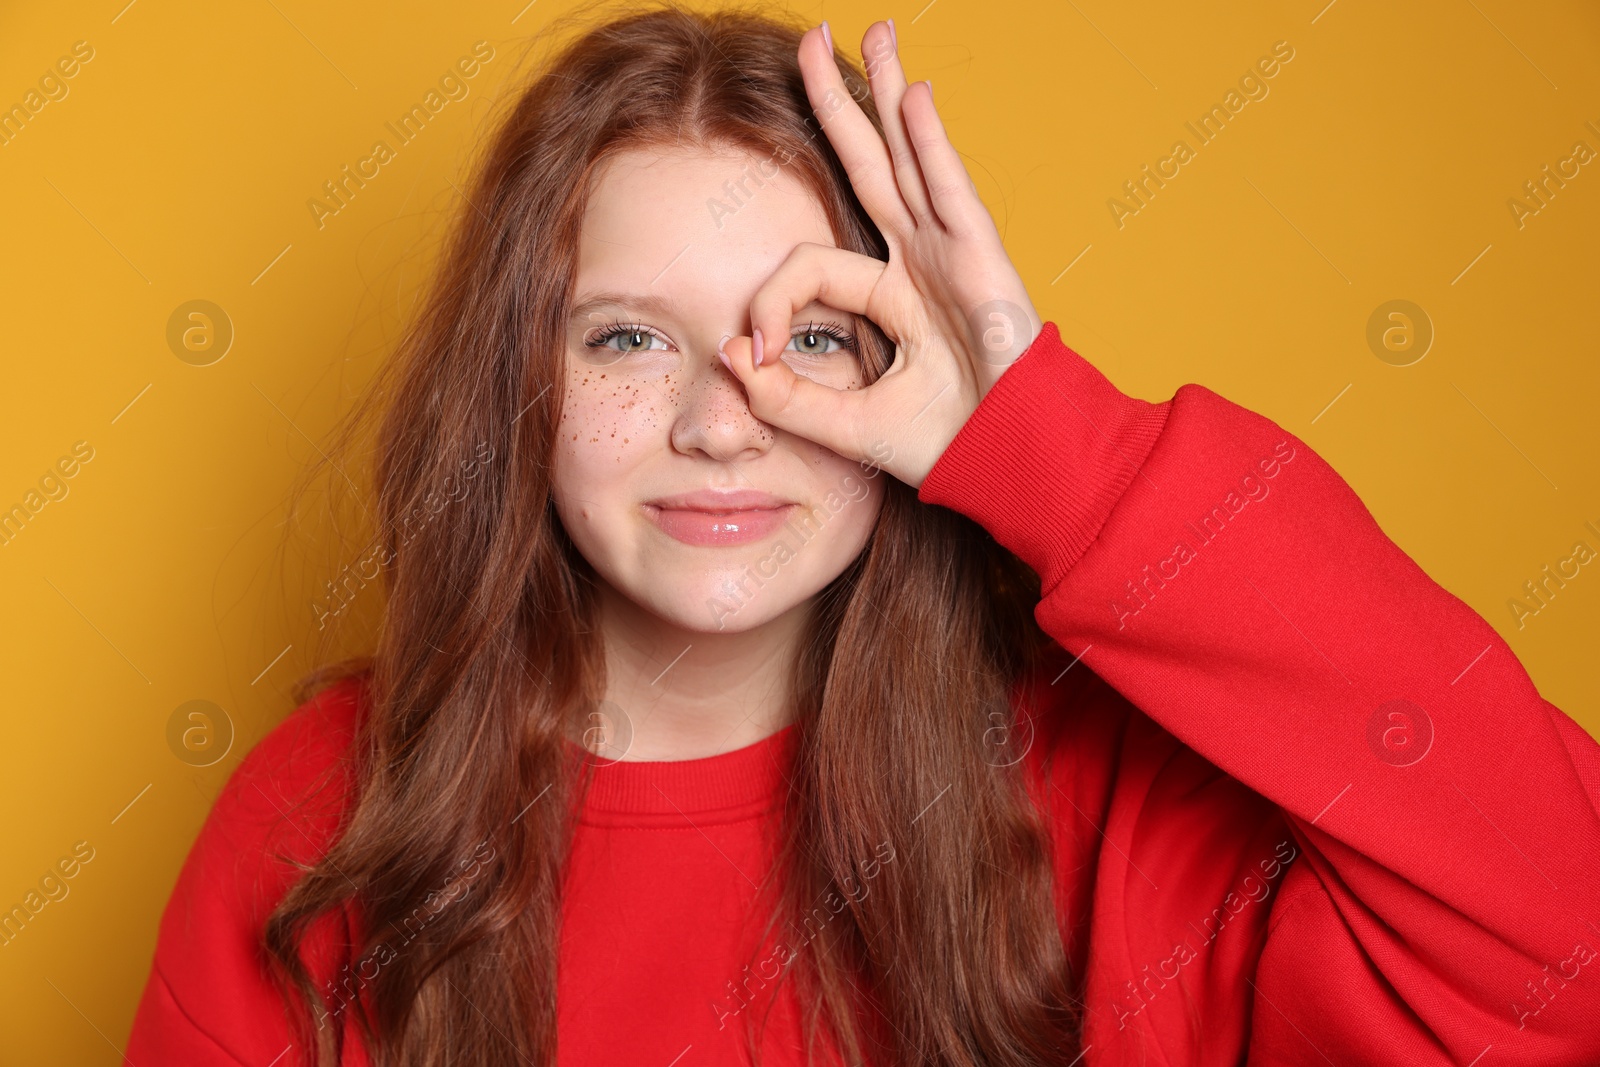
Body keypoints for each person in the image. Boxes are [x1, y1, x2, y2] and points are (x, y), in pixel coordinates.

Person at [124, 5, 1600, 1066]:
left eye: (814, 335)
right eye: (630, 338)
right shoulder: (321, 823)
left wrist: (1051, 442)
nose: (721, 423)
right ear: (517, 381)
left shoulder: (1108, 801)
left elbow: (1567, 936)